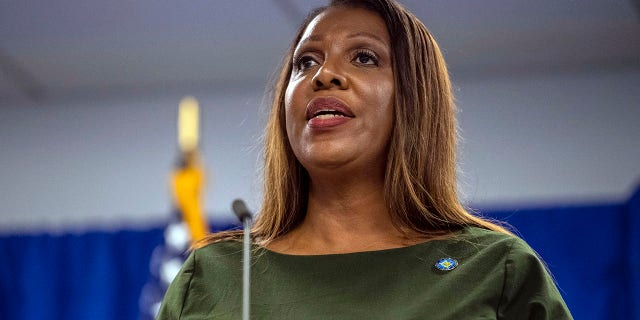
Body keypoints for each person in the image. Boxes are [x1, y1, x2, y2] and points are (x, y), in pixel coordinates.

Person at [156, 0, 573, 318]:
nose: (323, 75)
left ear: (413, 98)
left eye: (364, 57)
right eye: (306, 62)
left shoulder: (495, 269)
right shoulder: (212, 276)